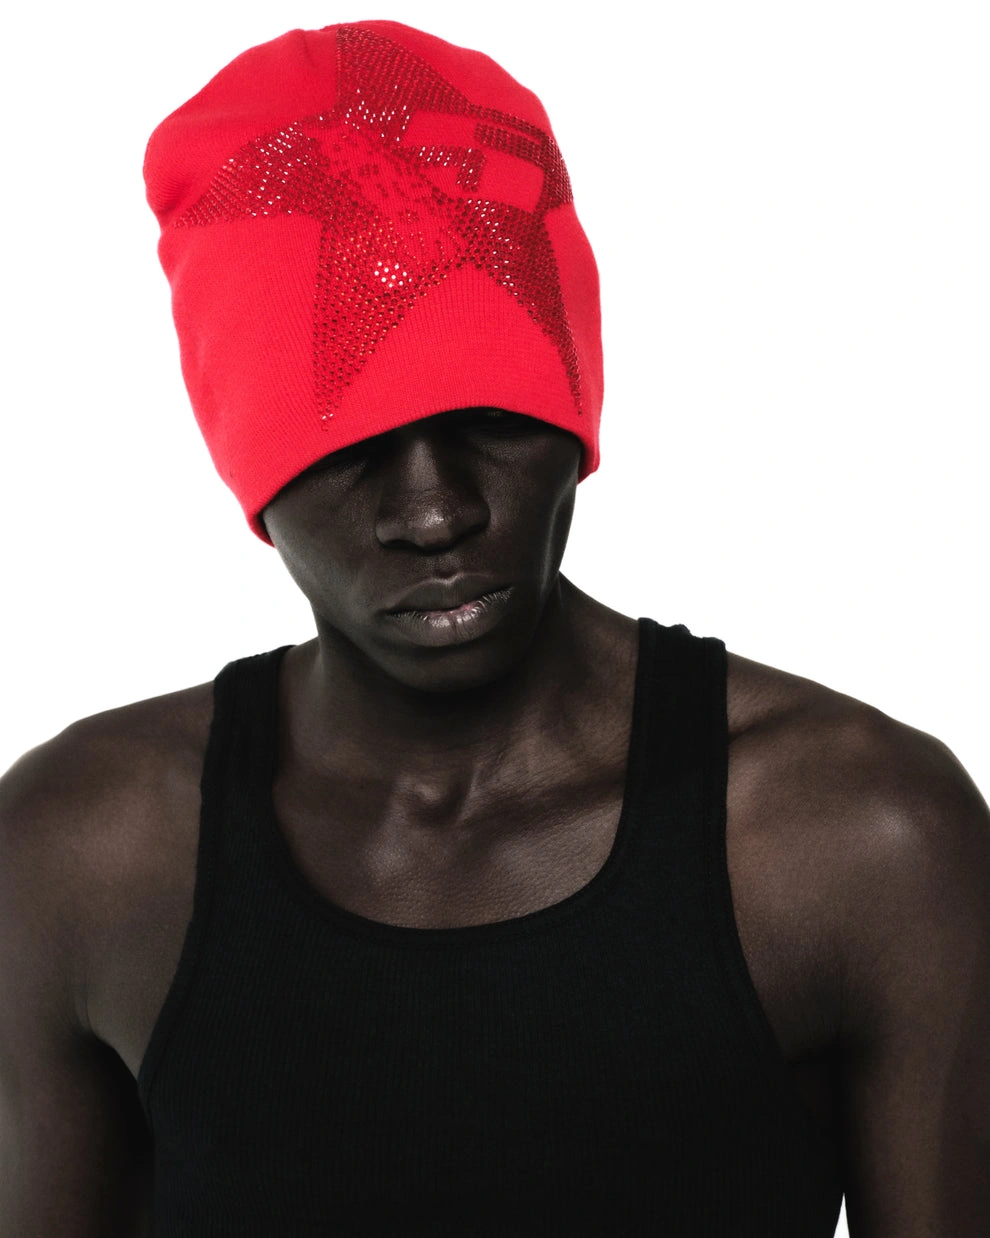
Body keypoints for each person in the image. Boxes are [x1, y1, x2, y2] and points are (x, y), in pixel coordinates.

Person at [0, 19, 987, 1237]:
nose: (436, 511)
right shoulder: (80, 855)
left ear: (575, 409)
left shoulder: (858, 838)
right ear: (246, 463)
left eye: (492, 412)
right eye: (350, 443)